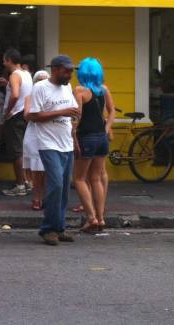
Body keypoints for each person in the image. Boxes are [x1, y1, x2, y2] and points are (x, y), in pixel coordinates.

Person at [27, 55, 80, 246]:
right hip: (48, 144)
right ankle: (48, 229)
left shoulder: (66, 88)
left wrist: (74, 136)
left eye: (71, 71)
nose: (70, 74)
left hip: (66, 143)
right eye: (67, 71)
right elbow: (32, 115)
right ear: (55, 69)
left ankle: (59, 227)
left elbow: (72, 112)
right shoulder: (40, 88)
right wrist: (61, 112)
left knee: (64, 189)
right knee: (56, 184)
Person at [72, 58, 115, 233]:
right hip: (101, 138)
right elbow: (112, 110)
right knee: (96, 178)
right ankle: (101, 218)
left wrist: (73, 136)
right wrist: (106, 129)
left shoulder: (80, 91)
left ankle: (91, 218)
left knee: (79, 178)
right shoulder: (103, 89)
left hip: (86, 137)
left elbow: (77, 116)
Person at [2, 48, 33, 197]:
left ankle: (20, 185)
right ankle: (26, 181)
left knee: (16, 152)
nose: (3, 63)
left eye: (4, 60)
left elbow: (15, 95)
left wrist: (7, 111)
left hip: (15, 115)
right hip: (25, 114)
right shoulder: (27, 74)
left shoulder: (14, 75)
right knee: (23, 150)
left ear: (9, 60)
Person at [23, 69, 48, 211]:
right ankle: (36, 197)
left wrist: (38, 115)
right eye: (39, 80)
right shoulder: (29, 97)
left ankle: (46, 197)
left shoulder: (52, 96)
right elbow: (27, 116)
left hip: (49, 134)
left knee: (48, 169)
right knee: (36, 169)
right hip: (34, 135)